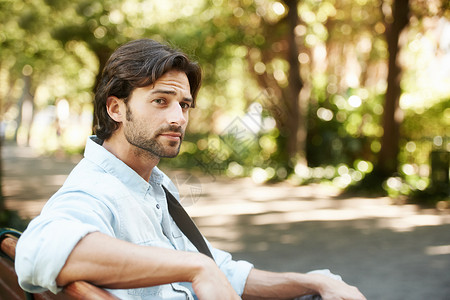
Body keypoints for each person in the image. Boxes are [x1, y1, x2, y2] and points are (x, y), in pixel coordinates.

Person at [15, 39, 366, 300]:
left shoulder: (152, 186)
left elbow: (220, 270)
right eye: (160, 101)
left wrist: (313, 282)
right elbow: (36, 251)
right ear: (116, 109)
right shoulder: (94, 189)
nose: (178, 118)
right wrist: (194, 267)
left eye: (184, 105)